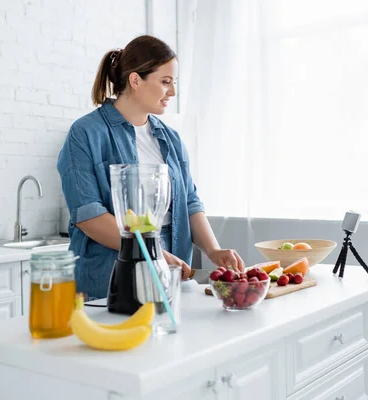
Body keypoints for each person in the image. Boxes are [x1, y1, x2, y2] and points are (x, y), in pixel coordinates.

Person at [57, 35, 245, 300]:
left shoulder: (171, 138)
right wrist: (151, 252)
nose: (173, 92)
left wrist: (213, 251)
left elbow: (190, 202)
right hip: (108, 276)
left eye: (173, 82)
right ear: (135, 80)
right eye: (165, 82)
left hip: (170, 271)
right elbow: (88, 217)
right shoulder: (86, 133)